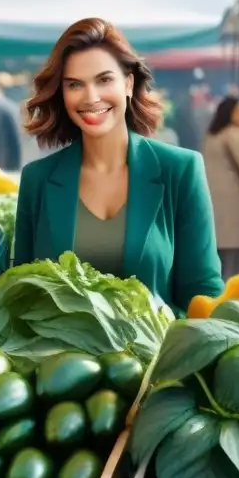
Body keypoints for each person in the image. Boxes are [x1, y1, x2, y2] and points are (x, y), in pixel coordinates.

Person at [14, 17, 224, 314]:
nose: (91, 97)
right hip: (59, 359)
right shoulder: (37, 179)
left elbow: (203, 294)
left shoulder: (181, 170)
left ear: (128, 82)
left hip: (159, 357)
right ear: (62, 93)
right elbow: (20, 294)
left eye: (104, 80)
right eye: (75, 84)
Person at [203, 97, 239, 279]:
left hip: (214, 199)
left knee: (218, 256)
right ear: (230, 113)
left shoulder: (211, 135)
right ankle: (232, 294)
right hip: (235, 202)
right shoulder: (233, 134)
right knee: (236, 260)